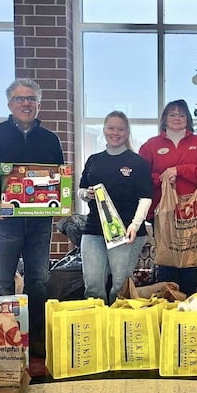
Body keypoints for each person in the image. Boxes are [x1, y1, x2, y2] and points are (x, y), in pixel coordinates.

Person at [0, 78, 64, 358]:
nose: (26, 103)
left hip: (39, 223)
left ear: (38, 103)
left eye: (31, 99)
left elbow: (59, 178)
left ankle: (35, 340)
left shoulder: (49, 139)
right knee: (3, 282)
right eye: (20, 99)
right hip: (4, 222)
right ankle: (6, 341)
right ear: (9, 104)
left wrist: (59, 201)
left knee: (38, 281)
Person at [139, 99, 197, 295]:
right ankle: (166, 309)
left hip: (192, 212)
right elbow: (139, 177)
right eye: (172, 114)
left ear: (188, 119)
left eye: (181, 114)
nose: (177, 118)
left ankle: (188, 309)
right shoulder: (151, 146)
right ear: (165, 118)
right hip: (163, 212)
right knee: (166, 261)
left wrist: (180, 170)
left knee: (189, 262)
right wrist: (161, 178)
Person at [78, 111, 154, 304]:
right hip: (94, 230)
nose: (115, 133)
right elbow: (80, 190)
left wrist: (135, 226)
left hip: (126, 232)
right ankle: (96, 329)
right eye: (111, 128)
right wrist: (85, 194)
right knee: (93, 285)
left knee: (120, 285)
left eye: (120, 129)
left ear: (127, 132)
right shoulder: (93, 160)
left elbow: (146, 198)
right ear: (104, 130)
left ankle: (120, 330)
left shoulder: (138, 163)